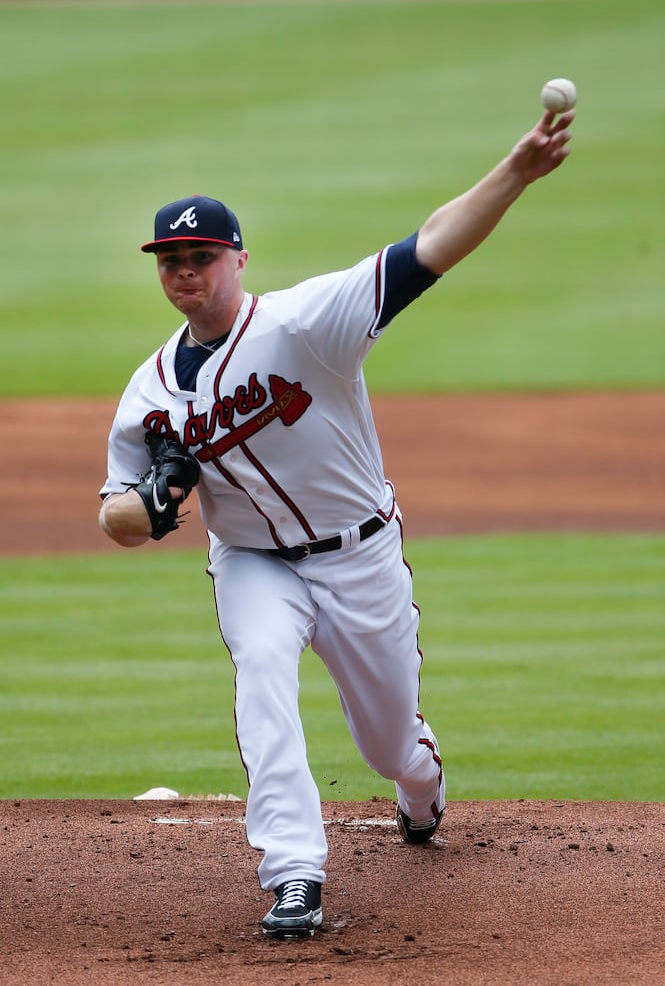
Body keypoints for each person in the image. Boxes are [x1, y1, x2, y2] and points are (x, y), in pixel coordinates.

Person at [99, 108, 574, 939]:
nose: (186, 272)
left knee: (390, 743)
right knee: (262, 677)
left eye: (202, 257)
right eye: (171, 261)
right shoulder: (149, 392)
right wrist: (153, 502)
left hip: (359, 556)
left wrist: (514, 174)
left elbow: (428, 246)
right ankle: (293, 874)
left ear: (238, 259)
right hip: (251, 564)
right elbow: (115, 517)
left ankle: (418, 788)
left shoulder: (307, 323)